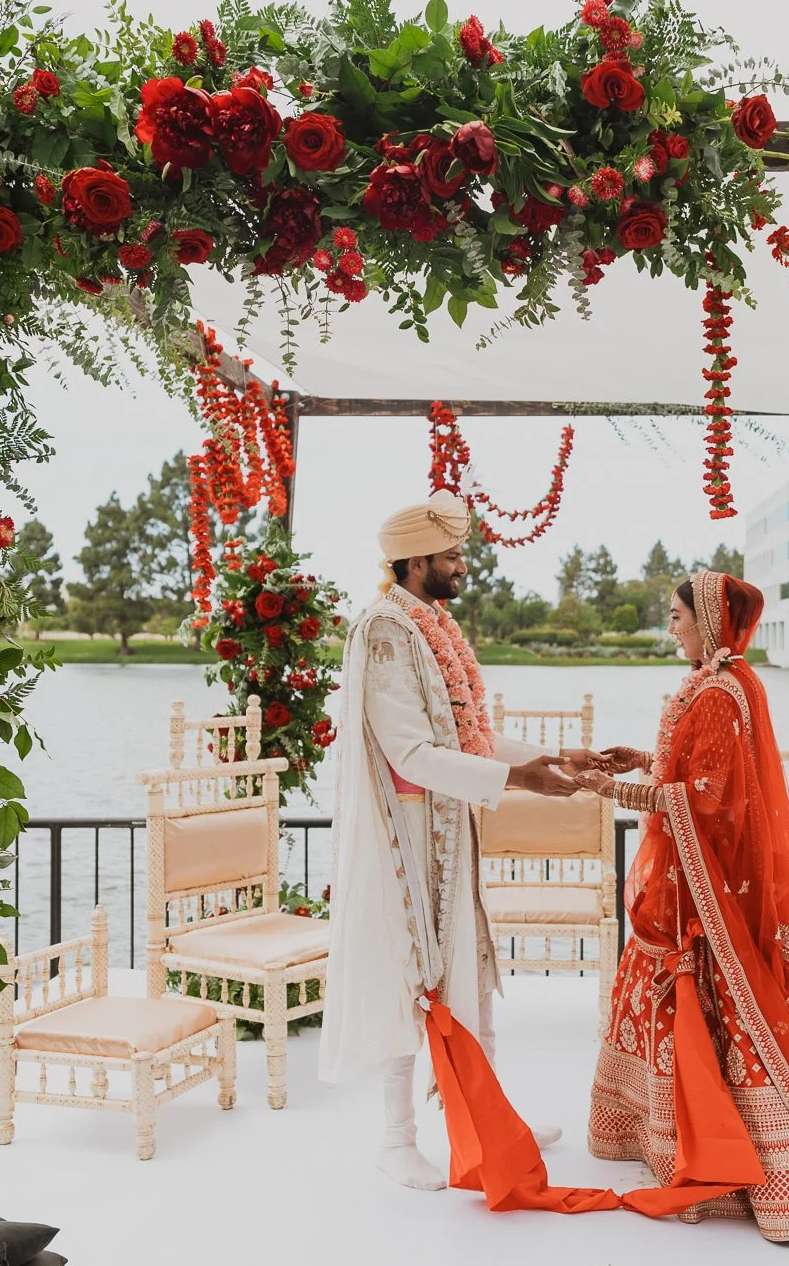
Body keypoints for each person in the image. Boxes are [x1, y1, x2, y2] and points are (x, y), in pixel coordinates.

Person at [573, 572, 789, 1242]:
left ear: (709, 621)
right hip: (689, 882)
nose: (672, 626)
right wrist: (644, 761)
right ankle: (666, 1135)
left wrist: (617, 792)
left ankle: (740, 1161)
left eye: (679, 615)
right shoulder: (722, 682)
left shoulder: (720, 690)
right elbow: (694, 772)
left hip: (702, 896)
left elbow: (708, 800)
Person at [318, 490, 587, 1191]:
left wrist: (554, 760)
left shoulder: (429, 623)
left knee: (470, 972)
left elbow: (465, 736)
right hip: (404, 835)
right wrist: (514, 777)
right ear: (414, 561)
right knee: (409, 976)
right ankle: (396, 1137)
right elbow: (410, 752)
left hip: (448, 823)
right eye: (451, 555)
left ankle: (496, 1118)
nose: (461, 565)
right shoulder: (384, 631)